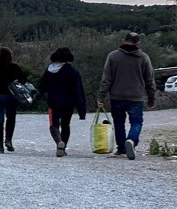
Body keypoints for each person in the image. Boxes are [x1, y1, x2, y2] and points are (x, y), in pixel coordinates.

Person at [98, 32, 156, 160]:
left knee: (119, 123)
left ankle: (121, 149)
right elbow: (149, 80)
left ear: (124, 40)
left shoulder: (113, 56)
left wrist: (101, 96)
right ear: (138, 42)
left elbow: (106, 79)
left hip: (116, 96)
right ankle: (131, 140)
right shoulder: (143, 57)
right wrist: (151, 98)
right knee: (136, 122)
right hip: (136, 96)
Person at [37, 47, 88, 157]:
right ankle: (63, 148)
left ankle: (58, 141)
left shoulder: (49, 70)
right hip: (69, 103)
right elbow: (78, 91)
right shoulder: (72, 71)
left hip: (53, 102)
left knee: (53, 125)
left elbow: (42, 87)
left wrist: (36, 97)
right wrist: (82, 110)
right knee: (66, 125)